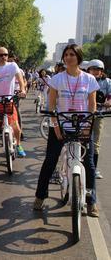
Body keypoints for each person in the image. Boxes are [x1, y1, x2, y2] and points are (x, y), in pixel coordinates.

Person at [34, 44, 100, 217]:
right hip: (61, 126)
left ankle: (91, 202)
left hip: (83, 126)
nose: (69, 57)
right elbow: (52, 106)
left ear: (79, 57)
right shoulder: (57, 79)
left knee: (89, 164)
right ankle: (40, 196)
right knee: (50, 160)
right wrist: (56, 128)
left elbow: (92, 106)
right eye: (66, 54)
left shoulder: (89, 79)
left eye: (72, 54)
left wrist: (88, 127)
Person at [0, 47, 27, 164]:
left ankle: (18, 145)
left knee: (15, 125)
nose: (3, 57)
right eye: (1, 55)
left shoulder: (12, 66)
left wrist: (23, 89)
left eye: (6, 55)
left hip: (9, 100)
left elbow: (20, 78)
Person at [87, 59, 111, 179]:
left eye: (98, 69)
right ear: (89, 70)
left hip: (98, 115)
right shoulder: (84, 80)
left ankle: (93, 169)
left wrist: (108, 102)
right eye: (93, 69)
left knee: (95, 143)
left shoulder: (107, 82)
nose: (96, 71)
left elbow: (110, 96)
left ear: (102, 71)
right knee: (80, 141)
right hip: (84, 115)